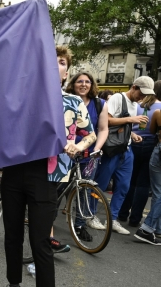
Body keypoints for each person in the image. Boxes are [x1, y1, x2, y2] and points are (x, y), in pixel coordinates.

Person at [0, 15, 95, 287]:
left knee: (40, 242)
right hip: (13, 172)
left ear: (65, 70)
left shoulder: (72, 102)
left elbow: (89, 134)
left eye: (61, 63)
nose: (55, 66)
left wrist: (79, 145)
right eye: (50, 61)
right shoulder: (17, 95)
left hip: (45, 177)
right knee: (11, 237)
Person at [92, 76, 154, 235]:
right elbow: (107, 122)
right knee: (100, 184)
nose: (143, 97)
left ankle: (112, 219)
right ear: (134, 87)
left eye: (146, 94)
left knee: (124, 187)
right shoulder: (117, 98)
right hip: (112, 149)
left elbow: (124, 125)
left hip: (126, 149)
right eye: (141, 92)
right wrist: (131, 119)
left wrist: (132, 134)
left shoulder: (135, 103)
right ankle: (90, 215)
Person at [65, 72, 110, 239]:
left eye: (87, 82)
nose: (83, 84)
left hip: (88, 155)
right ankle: (47, 222)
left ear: (92, 85)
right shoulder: (65, 101)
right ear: (73, 84)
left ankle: (79, 225)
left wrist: (96, 149)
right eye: (79, 81)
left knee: (84, 191)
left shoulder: (99, 104)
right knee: (56, 189)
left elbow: (103, 129)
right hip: (65, 153)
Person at [118, 80, 161, 226]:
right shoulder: (159, 108)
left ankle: (122, 214)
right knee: (143, 184)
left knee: (130, 180)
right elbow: (152, 131)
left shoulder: (136, 105)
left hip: (133, 142)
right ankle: (135, 219)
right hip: (150, 144)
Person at [135, 81, 161, 245]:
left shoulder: (157, 111)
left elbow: (152, 130)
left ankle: (155, 227)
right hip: (153, 149)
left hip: (155, 149)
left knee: (152, 189)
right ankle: (147, 228)